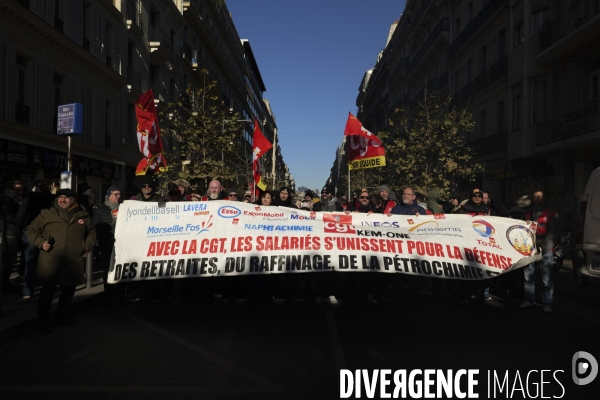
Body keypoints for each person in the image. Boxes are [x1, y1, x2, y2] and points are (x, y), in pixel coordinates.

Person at [26, 188, 96, 334]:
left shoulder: (83, 215)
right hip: (50, 259)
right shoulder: (46, 213)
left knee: (68, 291)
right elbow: (31, 229)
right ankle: (43, 322)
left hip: (72, 260)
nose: (62, 200)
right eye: (60, 197)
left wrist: (87, 245)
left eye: (66, 197)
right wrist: (40, 242)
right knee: (47, 292)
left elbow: (91, 232)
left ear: (74, 200)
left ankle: (61, 317)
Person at [519, 189, 560, 313]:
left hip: (544, 248)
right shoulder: (527, 212)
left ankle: (547, 303)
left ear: (544, 198)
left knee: (546, 278)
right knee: (528, 276)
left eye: (538, 196)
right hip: (528, 248)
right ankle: (529, 300)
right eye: (534, 197)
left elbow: (554, 232)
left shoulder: (552, 212)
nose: (536, 198)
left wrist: (544, 248)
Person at [15, 180, 56, 298]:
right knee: (47, 261)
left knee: (30, 262)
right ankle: (46, 288)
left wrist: (19, 230)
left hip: (29, 231)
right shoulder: (50, 199)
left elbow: (21, 215)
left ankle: (28, 290)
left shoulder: (29, 198)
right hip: (46, 232)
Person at [91, 186, 125, 307]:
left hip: (122, 244)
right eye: (116, 194)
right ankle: (108, 296)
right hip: (107, 244)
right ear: (108, 195)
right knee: (108, 270)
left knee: (121, 270)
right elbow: (95, 226)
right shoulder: (100, 210)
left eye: (119, 194)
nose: (118, 196)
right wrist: (106, 237)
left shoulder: (124, 208)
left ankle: (122, 296)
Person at [1, 180, 24, 294]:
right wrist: (19, 222)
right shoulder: (8, 200)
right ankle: (4, 283)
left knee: (10, 259)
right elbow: (8, 217)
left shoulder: (14, 199)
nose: (20, 192)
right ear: (11, 189)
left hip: (12, 231)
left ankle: (5, 282)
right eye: (17, 190)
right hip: (10, 232)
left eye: (21, 190)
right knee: (10, 259)